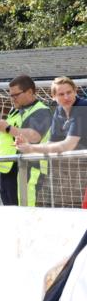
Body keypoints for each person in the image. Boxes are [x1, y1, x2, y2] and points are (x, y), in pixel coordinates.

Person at [17, 76, 87, 208]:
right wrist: (28, 146)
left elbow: (67, 145)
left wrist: (31, 149)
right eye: (61, 94)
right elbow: (51, 143)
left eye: (69, 92)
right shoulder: (59, 111)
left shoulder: (82, 107)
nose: (66, 97)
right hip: (75, 172)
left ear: (75, 91)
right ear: (53, 97)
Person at [0, 75, 53, 206]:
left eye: (16, 95)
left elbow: (34, 136)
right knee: (11, 210)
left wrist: (7, 128)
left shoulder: (41, 110)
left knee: (25, 209)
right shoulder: (15, 111)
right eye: (11, 95)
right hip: (9, 168)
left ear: (30, 92)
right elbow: (7, 135)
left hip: (29, 168)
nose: (12, 98)